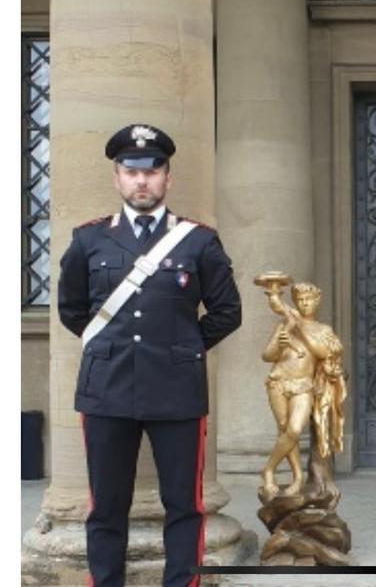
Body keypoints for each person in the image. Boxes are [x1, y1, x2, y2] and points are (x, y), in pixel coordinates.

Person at [57, 124, 242, 587]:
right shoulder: (88, 241)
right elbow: (71, 309)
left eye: (152, 171)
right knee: (106, 505)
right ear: (117, 177)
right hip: (106, 391)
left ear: (168, 178)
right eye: (131, 171)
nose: (142, 181)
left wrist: (183, 348)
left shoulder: (199, 242)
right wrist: (108, 343)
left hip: (177, 392)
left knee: (184, 504)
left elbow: (227, 311)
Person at [259, 281, 346, 501]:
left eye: (309, 300)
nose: (304, 304)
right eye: (300, 300)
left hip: (303, 385)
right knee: (284, 429)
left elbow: (324, 351)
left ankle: (269, 469)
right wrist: (281, 341)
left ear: (317, 302)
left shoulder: (322, 329)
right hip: (278, 381)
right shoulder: (285, 324)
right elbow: (268, 356)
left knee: (295, 429)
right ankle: (297, 477)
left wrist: (300, 328)